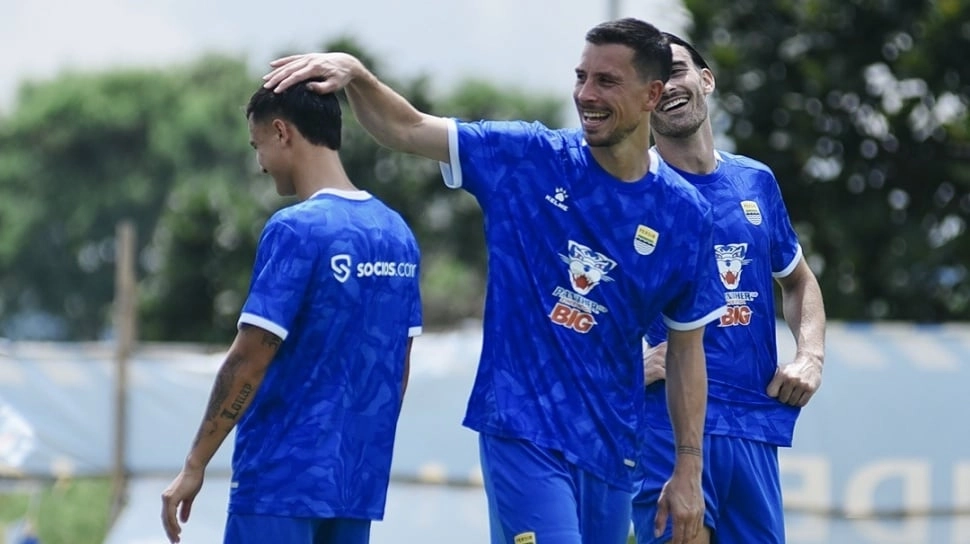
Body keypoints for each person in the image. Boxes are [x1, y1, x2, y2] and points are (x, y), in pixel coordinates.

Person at [262, 18, 725, 544]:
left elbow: (687, 349)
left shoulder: (686, 216)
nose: (586, 94)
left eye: (606, 81)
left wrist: (688, 470)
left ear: (652, 95)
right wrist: (357, 76)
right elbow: (408, 129)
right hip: (521, 429)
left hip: (612, 448)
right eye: (581, 77)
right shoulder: (528, 159)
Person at [160, 82, 422, 544]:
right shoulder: (397, 233)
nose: (259, 162)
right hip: (354, 484)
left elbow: (249, 360)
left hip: (280, 481)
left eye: (256, 145)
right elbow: (396, 370)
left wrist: (195, 463)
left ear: (281, 132)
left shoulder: (296, 229)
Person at [632, 33, 827, 544]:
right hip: (666, 428)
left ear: (706, 79)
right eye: (650, 81)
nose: (666, 86)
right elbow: (574, 297)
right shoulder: (629, 189)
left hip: (753, 424)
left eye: (675, 69)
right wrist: (625, 366)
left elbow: (800, 281)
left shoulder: (755, 181)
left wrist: (810, 355)